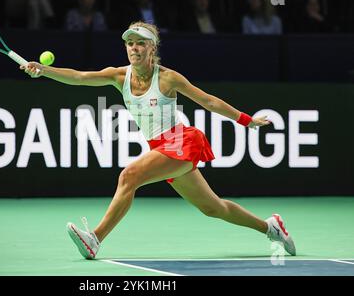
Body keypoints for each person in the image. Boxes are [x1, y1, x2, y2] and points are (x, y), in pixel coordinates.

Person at [20, 21, 296, 259]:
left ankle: (95, 239)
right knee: (213, 207)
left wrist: (247, 120)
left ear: (152, 48)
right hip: (161, 149)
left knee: (129, 176)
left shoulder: (168, 78)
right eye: (130, 43)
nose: (134, 48)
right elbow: (80, 78)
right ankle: (271, 227)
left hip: (179, 141)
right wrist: (45, 71)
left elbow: (208, 101)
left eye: (140, 43)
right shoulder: (119, 76)